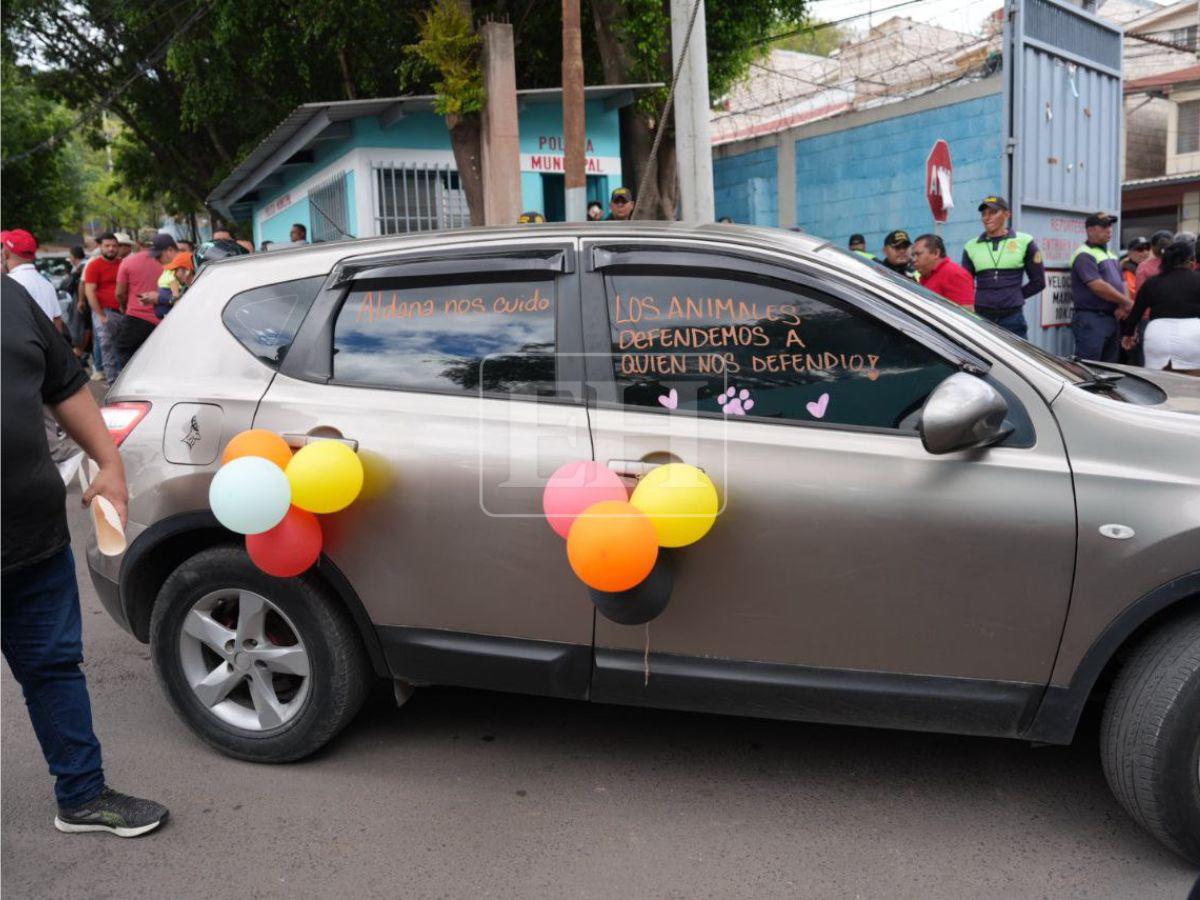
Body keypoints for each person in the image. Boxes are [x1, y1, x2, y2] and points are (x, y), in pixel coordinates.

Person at [2, 274, 170, 838]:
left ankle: (83, 795)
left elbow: (65, 385)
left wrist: (110, 462)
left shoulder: (9, 297)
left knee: (54, 669)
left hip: (34, 540)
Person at [961, 196, 1045, 338]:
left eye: (993, 212)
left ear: (1007, 214)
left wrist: (1016, 296)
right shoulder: (971, 246)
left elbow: (1039, 282)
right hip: (982, 318)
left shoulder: (1024, 241)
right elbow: (965, 284)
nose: (987, 217)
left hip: (1012, 318)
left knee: (1017, 353)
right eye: (984, 214)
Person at [1122, 238, 1200, 374]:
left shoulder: (1152, 283)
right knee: (1193, 382)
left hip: (1157, 335)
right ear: (1191, 261)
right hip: (1193, 333)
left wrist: (1128, 334)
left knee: (1158, 381)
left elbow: (1136, 312)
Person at [1069, 212, 1131, 363]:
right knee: (1089, 367)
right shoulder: (1084, 254)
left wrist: (1124, 305)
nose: (1109, 230)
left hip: (1112, 317)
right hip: (1092, 318)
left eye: (1110, 226)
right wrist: (1126, 302)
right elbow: (1097, 286)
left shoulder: (1111, 255)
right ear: (1090, 230)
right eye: (1104, 227)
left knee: (1109, 368)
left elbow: (1123, 283)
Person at [113, 233, 177, 368]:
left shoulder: (128, 262)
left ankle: (130, 381)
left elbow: (119, 293)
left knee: (123, 351)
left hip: (137, 317)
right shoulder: (172, 262)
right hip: (167, 317)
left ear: (138, 243)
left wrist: (123, 306)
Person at [2, 230, 65, 331]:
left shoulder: (6, 283)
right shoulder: (47, 284)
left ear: (5, 253)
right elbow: (57, 322)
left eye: (2, 248)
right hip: (44, 341)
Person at [83, 233, 124, 385]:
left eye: (114, 246)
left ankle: (123, 381)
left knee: (123, 346)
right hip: (104, 311)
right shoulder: (94, 265)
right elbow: (89, 291)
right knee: (107, 346)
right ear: (100, 247)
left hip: (124, 312)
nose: (111, 249)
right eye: (107, 246)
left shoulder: (123, 264)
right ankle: (112, 382)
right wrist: (100, 315)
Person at [911, 234, 975, 309]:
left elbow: (966, 312)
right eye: (913, 255)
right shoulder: (925, 274)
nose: (914, 259)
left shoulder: (954, 274)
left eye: (918, 254)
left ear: (936, 253)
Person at [154, 250, 195, 319]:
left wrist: (175, 296)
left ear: (187, 271)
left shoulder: (193, 288)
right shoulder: (185, 287)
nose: (174, 273)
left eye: (175, 269)